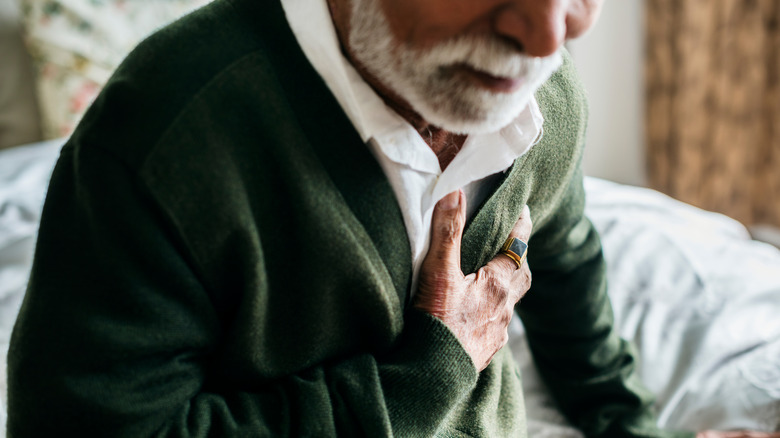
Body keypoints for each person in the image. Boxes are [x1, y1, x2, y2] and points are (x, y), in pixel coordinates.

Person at [6, 0, 779, 436]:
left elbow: (570, 265)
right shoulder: (162, 135)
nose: (549, 37)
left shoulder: (550, 98)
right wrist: (421, 378)